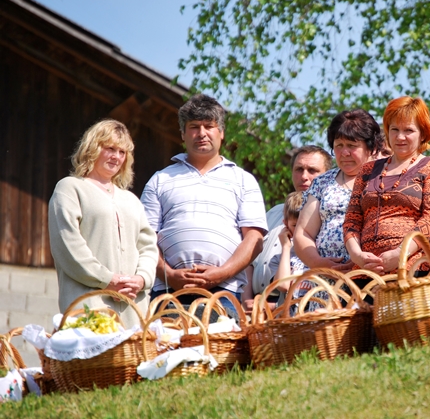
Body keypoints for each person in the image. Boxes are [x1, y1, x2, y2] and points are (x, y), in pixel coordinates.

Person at [141, 94, 267, 319]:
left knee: (222, 353)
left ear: (222, 133)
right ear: (182, 134)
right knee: (168, 353)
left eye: (209, 126)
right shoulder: (160, 179)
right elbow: (145, 239)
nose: (202, 133)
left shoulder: (243, 179)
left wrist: (219, 274)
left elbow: (254, 240)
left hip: (225, 294)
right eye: (194, 127)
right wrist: (169, 274)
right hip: (168, 295)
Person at [48, 119, 158, 328]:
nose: (116, 157)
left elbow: (148, 247)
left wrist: (141, 279)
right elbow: (68, 245)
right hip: (89, 306)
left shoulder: (131, 200)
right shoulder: (70, 189)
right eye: (110, 149)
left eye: (122, 152)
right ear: (93, 148)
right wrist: (108, 280)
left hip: (133, 309)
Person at [343, 97, 430, 275]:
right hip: (364, 271)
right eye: (394, 129)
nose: (400, 137)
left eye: (408, 130)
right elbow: (352, 220)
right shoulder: (368, 169)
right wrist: (357, 255)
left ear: (423, 133)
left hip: (410, 269)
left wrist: (399, 253)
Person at [294, 109, 388, 272]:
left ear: (371, 147)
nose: (344, 152)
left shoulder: (386, 180)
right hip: (326, 281)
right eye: (339, 146)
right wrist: (319, 263)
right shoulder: (322, 182)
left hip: (372, 277)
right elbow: (303, 233)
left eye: (352, 146)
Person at [244, 146, 331, 306]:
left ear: (328, 174)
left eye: (312, 170)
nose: (304, 176)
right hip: (255, 307)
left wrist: (276, 305)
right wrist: (247, 299)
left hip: (295, 306)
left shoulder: (329, 216)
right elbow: (251, 260)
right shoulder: (273, 212)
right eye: (299, 169)